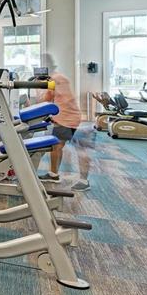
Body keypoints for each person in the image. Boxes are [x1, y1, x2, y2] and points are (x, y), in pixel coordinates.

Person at [36, 53, 91, 191]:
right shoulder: (59, 77)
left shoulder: (55, 79)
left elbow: (47, 99)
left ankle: (83, 181)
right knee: (58, 147)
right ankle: (54, 174)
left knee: (68, 148)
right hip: (71, 117)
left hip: (66, 119)